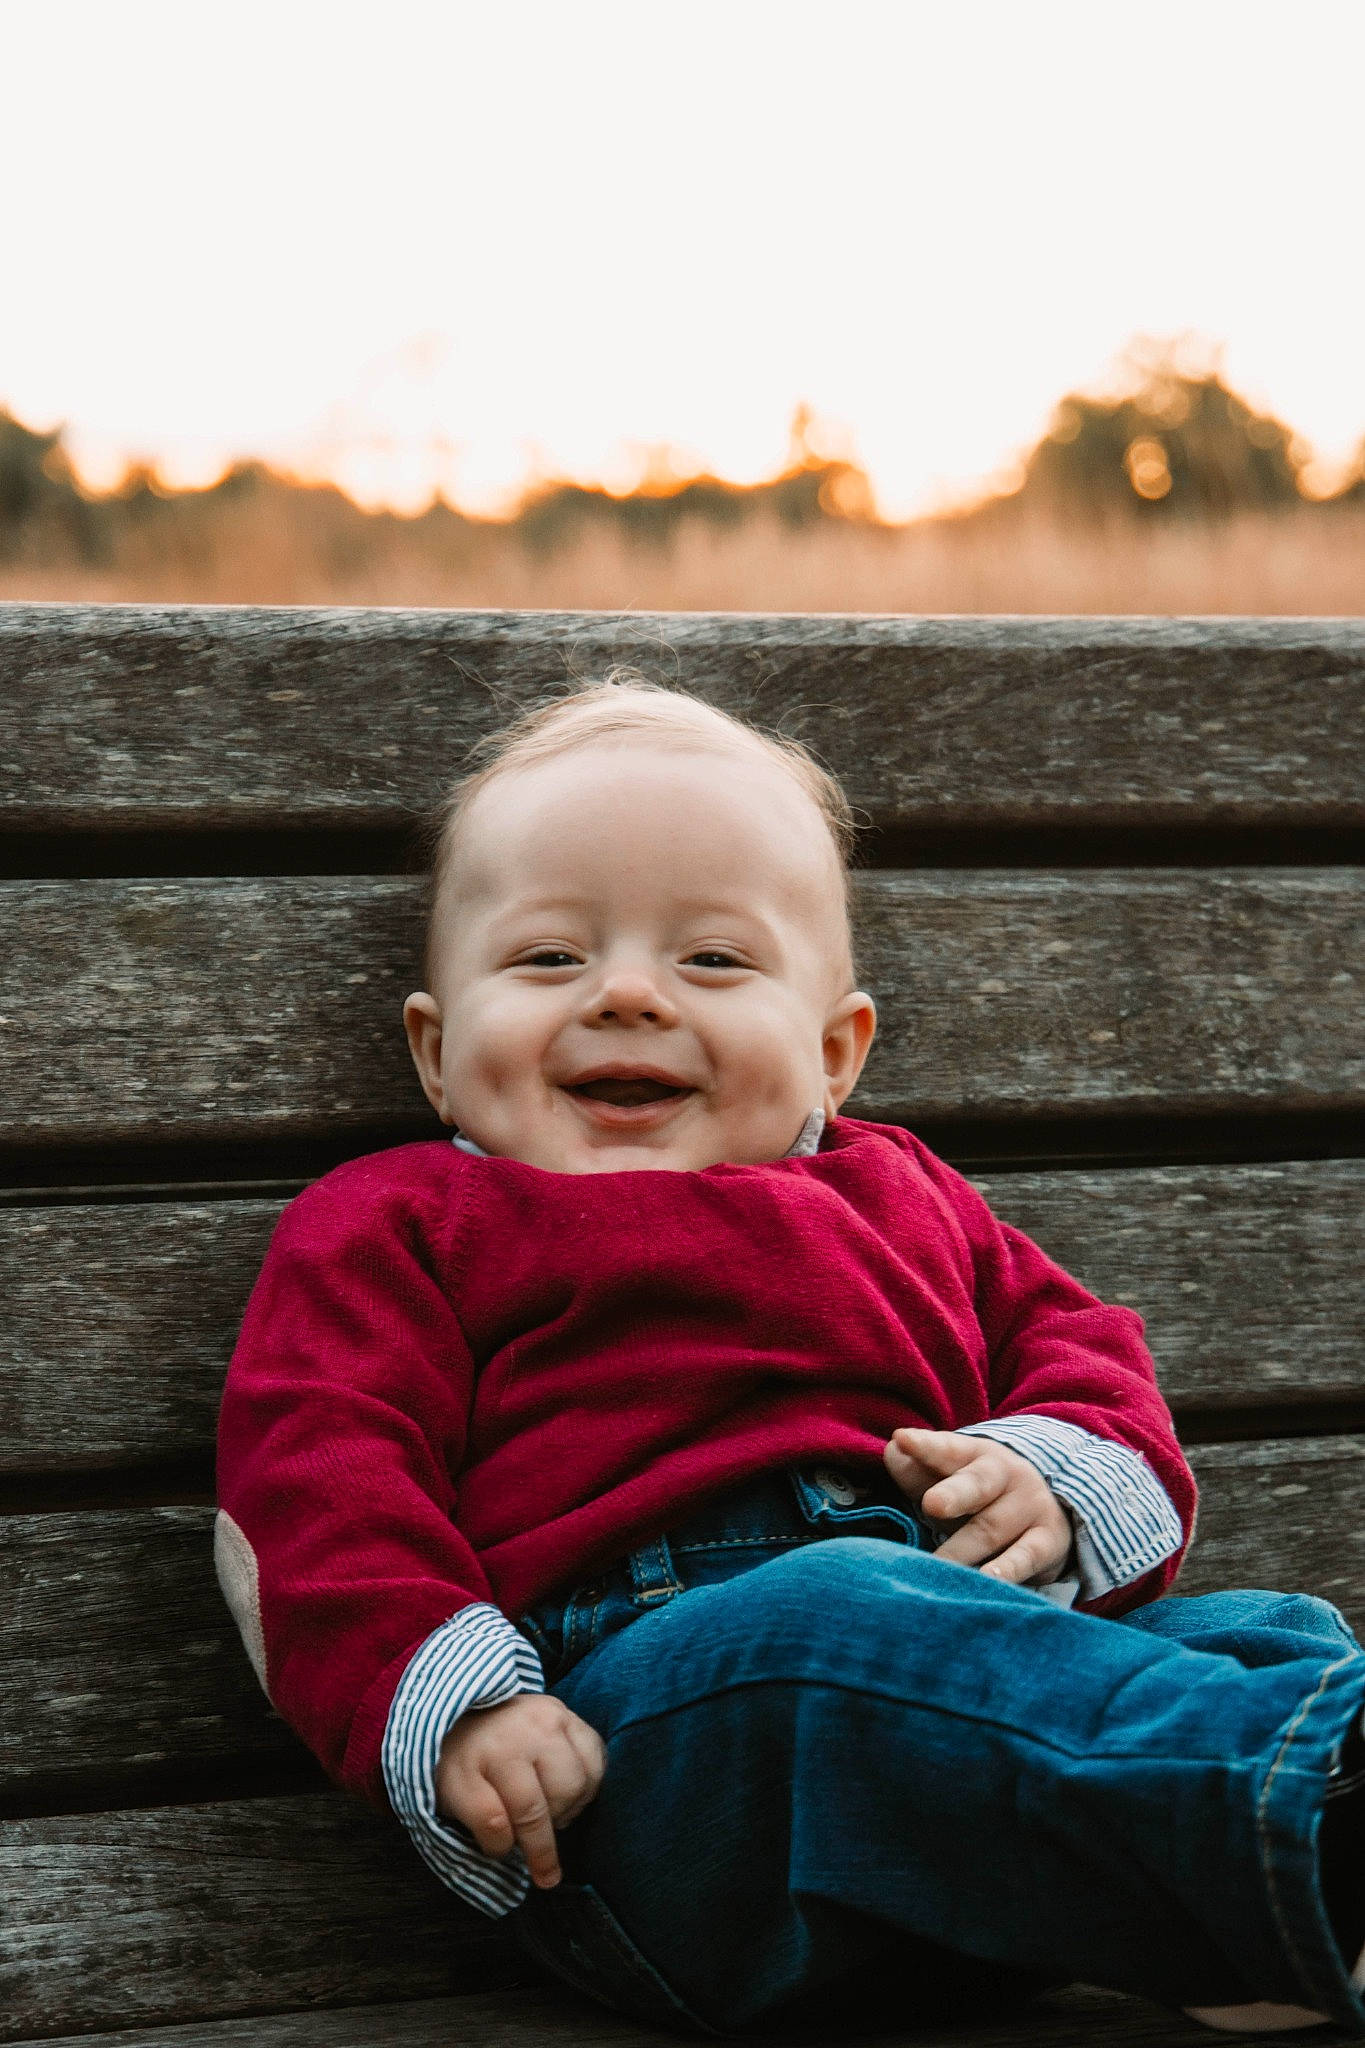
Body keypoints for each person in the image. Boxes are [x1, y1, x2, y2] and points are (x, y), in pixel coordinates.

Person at [215, 680, 1365, 2038]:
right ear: (433, 1049)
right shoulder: (403, 1223)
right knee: (834, 1626)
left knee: (1260, 1636)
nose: (628, 994)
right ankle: (1301, 1849)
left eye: (709, 961)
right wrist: (456, 1706)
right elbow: (311, 1482)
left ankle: (1252, 1912)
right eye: (544, 960)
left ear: (831, 1053)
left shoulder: (907, 1196)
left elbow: (1083, 1353)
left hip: (927, 1755)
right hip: (637, 1789)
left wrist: (1046, 1480)